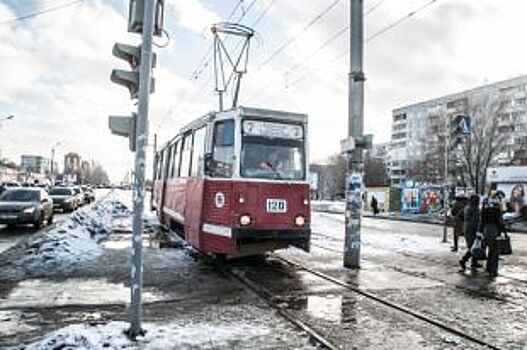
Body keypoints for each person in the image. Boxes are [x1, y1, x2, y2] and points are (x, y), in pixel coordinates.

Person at [479, 192, 506, 277]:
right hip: (494, 231)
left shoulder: (485, 209)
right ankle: (493, 270)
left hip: (486, 231)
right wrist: (504, 232)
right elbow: (500, 222)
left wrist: (480, 231)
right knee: (494, 252)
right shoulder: (497, 210)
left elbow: (481, 221)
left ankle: (488, 268)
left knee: (490, 250)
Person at [459, 195, 482, 271]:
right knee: (473, 246)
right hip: (472, 229)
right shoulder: (475, 209)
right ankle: (463, 260)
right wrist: (478, 231)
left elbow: (460, 215)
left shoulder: (467, 207)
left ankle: (474, 262)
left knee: (473, 246)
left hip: (466, 227)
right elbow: (476, 221)